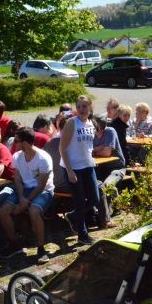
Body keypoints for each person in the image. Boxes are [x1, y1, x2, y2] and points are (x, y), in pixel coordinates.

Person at [0, 127, 54, 265]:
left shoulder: (43, 158)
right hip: (25, 190)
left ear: (26, 143)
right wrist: (22, 197)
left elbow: (41, 186)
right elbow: (17, 179)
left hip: (44, 191)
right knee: (3, 210)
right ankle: (15, 242)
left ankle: (41, 249)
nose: (14, 143)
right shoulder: (17, 156)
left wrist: (26, 201)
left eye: (16, 140)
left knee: (34, 210)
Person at [59, 95, 99, 245]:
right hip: (73, 167)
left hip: (88, 166)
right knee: (80, 201)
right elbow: (62, 148)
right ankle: (83, 234)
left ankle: (73, 216)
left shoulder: (91, 123)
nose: (82, 109)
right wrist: (69, 171)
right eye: (79, 106)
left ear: (90, 108)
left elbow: (87, 146)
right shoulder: (71, 123)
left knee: (95, 198)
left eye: (84, 106)